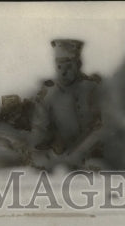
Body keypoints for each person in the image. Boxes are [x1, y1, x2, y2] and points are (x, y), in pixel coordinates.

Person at [31, 39, 105, 170]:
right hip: (64, 162)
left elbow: (104, 127)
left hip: (98, 158)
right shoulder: (49, 97)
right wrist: (48, 157)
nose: (63, 72)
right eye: (59, 66)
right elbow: (39, 136)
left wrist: (78, 154)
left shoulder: (94, 90)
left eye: (68, 66)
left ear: (79, 64)